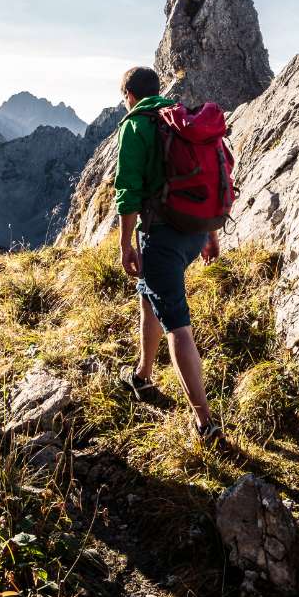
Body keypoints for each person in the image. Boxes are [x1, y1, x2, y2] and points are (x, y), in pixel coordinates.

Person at [111, 65, 223, 443]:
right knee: (150, 296)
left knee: (177, 323)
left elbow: (127, 191)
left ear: (129, 95)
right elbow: (197, 177)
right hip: (193, 232)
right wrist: (209, 233)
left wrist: (126, 244)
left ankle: (205, 423)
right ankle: (143, 375)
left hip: (162, 237)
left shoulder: (136, 126)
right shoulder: (179, 119)